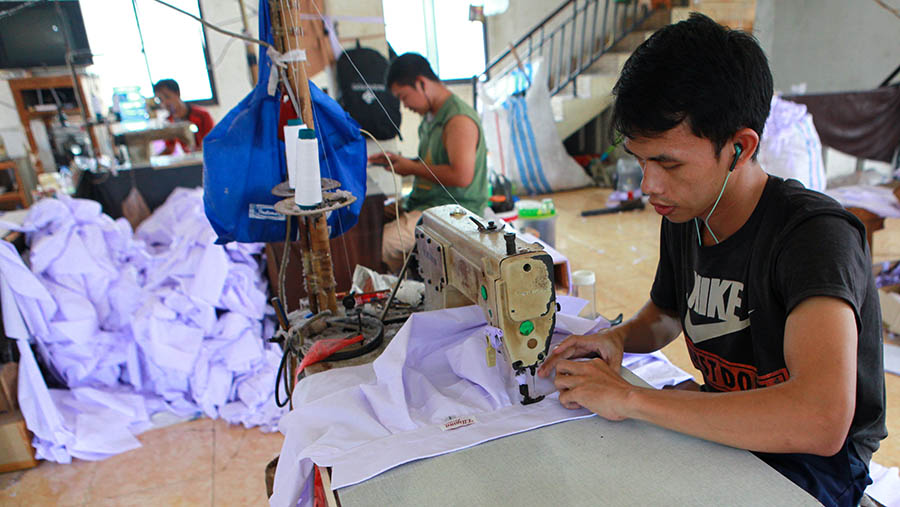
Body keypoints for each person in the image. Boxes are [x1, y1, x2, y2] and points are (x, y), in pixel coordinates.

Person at [537, 13, 886, 506]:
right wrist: (616, 338)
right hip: (727, 427)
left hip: (813, 466)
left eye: (668, 163)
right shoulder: (687, 214)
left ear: (739, 148)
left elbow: (819, 420)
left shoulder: (814, 238)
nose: (649, 186)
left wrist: (632, 398)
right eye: (641, 161)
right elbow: (666, 315)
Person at [368, 53, 489, 272]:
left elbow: (461, 176)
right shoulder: (431, 118)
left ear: (421, 83)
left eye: (404, 97)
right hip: (426, 202)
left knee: (385, 244)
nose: (405, 106)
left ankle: (399, 292)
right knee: (369, 214)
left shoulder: (458, 120)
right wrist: (402, 162)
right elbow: (432, 163)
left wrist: (412, 168)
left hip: (456, 210)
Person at [152, 79, 215, 155]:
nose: (165, 103)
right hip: (191, 160)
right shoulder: (169, 122)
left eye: (167, 96)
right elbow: (169, 148)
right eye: (160, 100)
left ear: (177, 93)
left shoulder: (202, 115)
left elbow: (212, 142)